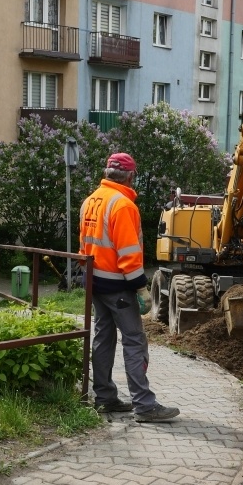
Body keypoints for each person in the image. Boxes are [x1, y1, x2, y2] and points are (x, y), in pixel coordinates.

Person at [79, 152, 180, 423]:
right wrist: (141, 288)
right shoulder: (123, 205)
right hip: (117, 286)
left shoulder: (90, 201)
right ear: (131, 176)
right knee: (135, 341)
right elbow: (128, 253)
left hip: (95, 283)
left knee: (103, 338)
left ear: (108, 172)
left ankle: (105, 398)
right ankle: (145, 406)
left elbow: (84, 247)